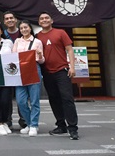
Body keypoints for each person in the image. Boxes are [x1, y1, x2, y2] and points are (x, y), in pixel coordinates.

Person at [37, 11, 79, 140]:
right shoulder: (37, 36)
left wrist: (72, 67)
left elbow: (69, 49)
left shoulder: (60, 32)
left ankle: (73, 128)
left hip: (62, 70)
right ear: (39, 22)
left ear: (51, 21)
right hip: (47, 72)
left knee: (67, 99)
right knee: (54, 99)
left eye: (46, 18)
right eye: (42, 18)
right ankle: (61, 125)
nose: (44, 20)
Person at [12, 19, 45, 136]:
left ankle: (34, 125)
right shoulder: (17, 41)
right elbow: (13, 57)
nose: (24, 30)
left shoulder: (37, 42)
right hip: (20, 72)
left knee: (34, 100)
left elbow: (41, 61)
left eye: (25, 27)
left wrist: (40, 54)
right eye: (21, 28)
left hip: (34, 70)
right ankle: (30, 123)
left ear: (30, 28)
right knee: (21, 101)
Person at [1, 11, 25, 129]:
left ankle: (24, 119)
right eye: (7, 19)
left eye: (11, 18)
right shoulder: (2, 34)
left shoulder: (23, 31)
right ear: (4, 22)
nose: (9, 20)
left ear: (16, 20)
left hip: (22, 69)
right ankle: (8, 120)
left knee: (22, 96)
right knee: (7, 96)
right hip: (7, 70)